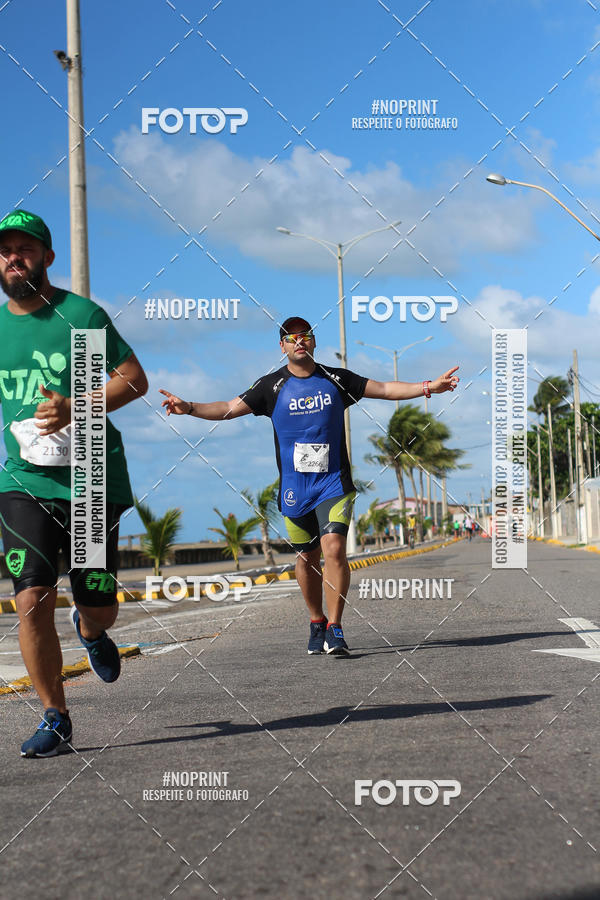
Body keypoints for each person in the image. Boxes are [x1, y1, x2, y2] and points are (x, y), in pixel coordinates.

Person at [160, 316, 459, 656]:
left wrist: (428, 387)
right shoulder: (270, 387)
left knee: (334, 549)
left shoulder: (336, 379)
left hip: (333, 483)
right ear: (282, 346)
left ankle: (335, 627)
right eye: (291, 338)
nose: (299, 341)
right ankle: (317, 621)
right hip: (295, 488)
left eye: (305, 335)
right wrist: (189, 408)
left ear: (314, 341)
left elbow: (385, 389)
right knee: (306, 558)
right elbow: (228, 408)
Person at [0, 209, 148, 757]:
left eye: (25, 249)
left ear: (47, 256)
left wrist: (75, 406)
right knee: (30, 596)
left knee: (98, 601)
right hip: (24, 480)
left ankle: (91, 631)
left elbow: (133, 381)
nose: (14, 258)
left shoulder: (80, 317)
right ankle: (55, 716)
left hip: (90, 478)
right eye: (5, 251)